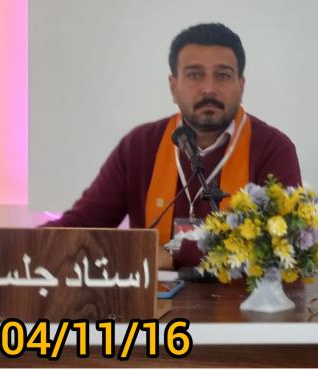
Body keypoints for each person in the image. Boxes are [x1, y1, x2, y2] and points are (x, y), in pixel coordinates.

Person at [43, 23, 302, 268]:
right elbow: (83, 225)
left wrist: (174, 253)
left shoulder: (273, 149)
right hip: (153, 299)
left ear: (241, 86)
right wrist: (25, 245)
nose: (208, 88)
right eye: (194, 75)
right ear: (173, 86)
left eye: (222, 75)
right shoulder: (140, 145)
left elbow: (282, 243)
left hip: (241, 298)